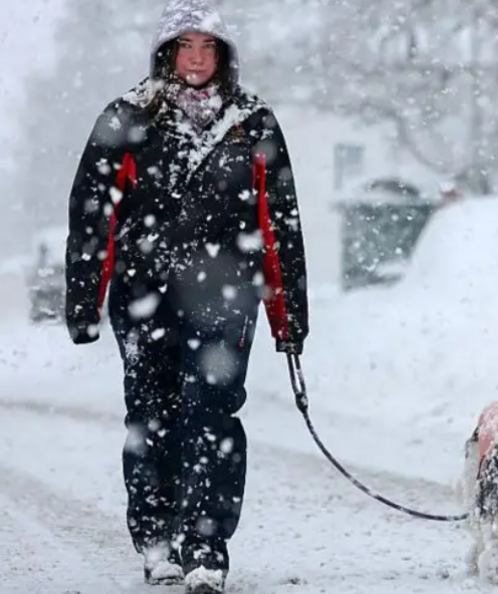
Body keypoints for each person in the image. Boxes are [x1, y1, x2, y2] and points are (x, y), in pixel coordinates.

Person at [64, 1, 308, 593]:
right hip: (143, 293)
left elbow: (279, 225)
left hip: (226, 295)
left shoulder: (253, 123)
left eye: (208, 48)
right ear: (165, 53)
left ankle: (205, 547)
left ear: (223, 57)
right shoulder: (126, 117)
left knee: (211, 415)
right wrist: (83, 302)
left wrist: (288, 314)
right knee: (152, 415)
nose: (196, 59)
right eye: (185, 47)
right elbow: (93, 217)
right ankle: (157, 541)